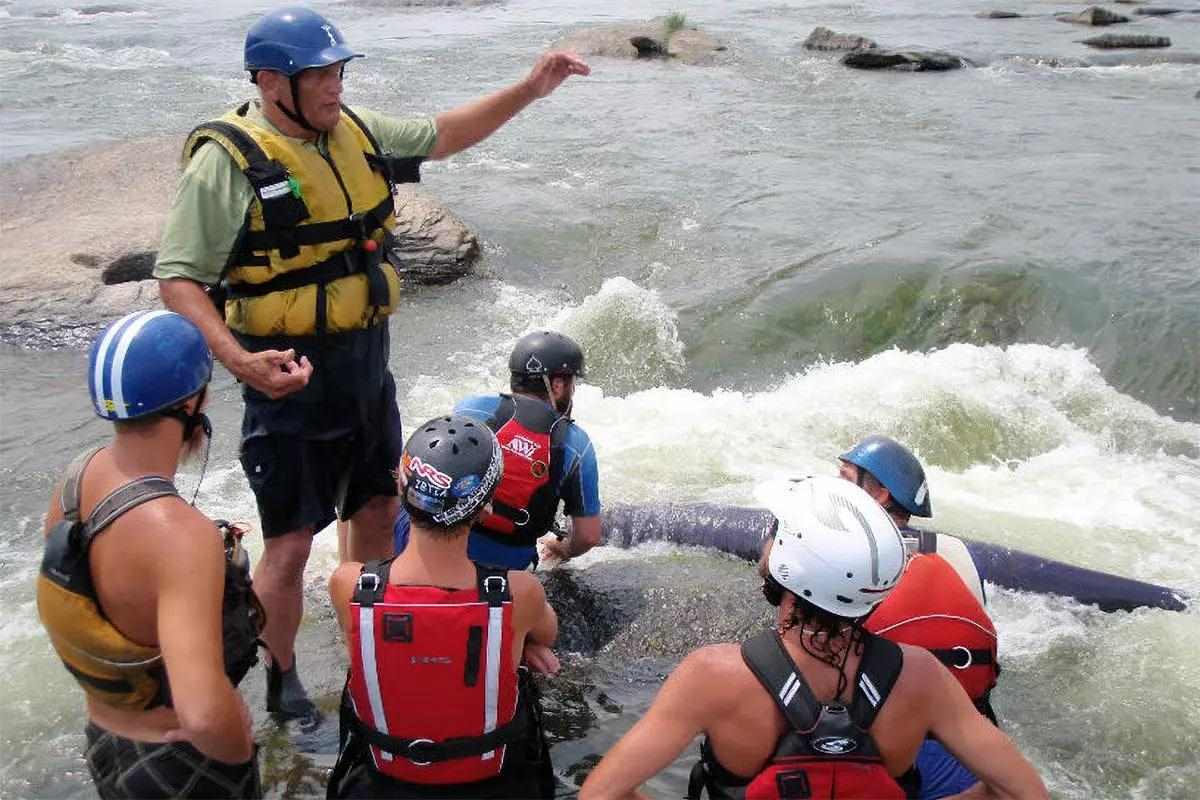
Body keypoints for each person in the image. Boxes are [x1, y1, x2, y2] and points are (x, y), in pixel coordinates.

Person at [153, 6, 589, 724]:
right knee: (290, 545)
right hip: (287, 380)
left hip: (365, 372)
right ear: (269, 82)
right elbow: (178, 279)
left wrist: (529, 89)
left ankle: (369, 644)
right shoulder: (226, 163)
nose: (333, 86)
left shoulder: (354, 132)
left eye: (337, 71)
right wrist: (240, 361)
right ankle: (280, 673)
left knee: (379, 510)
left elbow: (446, 134)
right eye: (317, 75)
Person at [580, 477, 1047, 800]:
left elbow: (603, 792)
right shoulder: (921, 676)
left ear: (790, 564)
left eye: (777, 535)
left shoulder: (713, 676)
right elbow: (1022, 790)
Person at [36, 310, 265, 799]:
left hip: (107, 739)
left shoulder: (75, 480)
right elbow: (203, 714)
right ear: (191, 401)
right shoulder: (182, 536)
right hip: (182, 765)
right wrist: (238, 745)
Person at [327, 415, 560, 798]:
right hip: (492, 785)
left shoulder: (349, 585)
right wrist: (521, 640)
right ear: (484, 507)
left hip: (384, 784)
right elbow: (547, 633)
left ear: (401, 490)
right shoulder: (519, 594)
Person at [838, 436, 1001, 799]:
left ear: (879, 493)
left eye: (846, 479)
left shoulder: (839, 552)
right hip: (964, 747)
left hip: (879, 747)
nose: (836, 487)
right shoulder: (953, 551)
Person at [453, 330, 601, 570]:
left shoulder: (470, 408)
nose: (573, 391)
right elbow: (588, 536)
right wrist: (562, 549)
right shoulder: (576, 444)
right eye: (572, 383)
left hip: (444, 547)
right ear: (557, 385)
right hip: (508, 567)